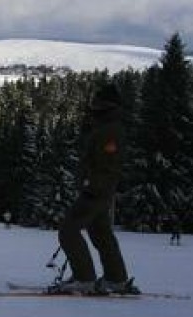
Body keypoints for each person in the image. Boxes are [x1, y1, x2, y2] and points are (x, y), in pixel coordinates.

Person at [57, 83, 138, 294]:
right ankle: (116, 278)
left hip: (96, 190)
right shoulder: (104, 125)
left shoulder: (110, 129)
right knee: (100, 233)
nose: (94, 104)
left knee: (69, 229)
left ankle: (85, 278)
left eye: (97, 100)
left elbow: (108, 163)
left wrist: (91, 184)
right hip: (99, 189)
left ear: (106, 104)